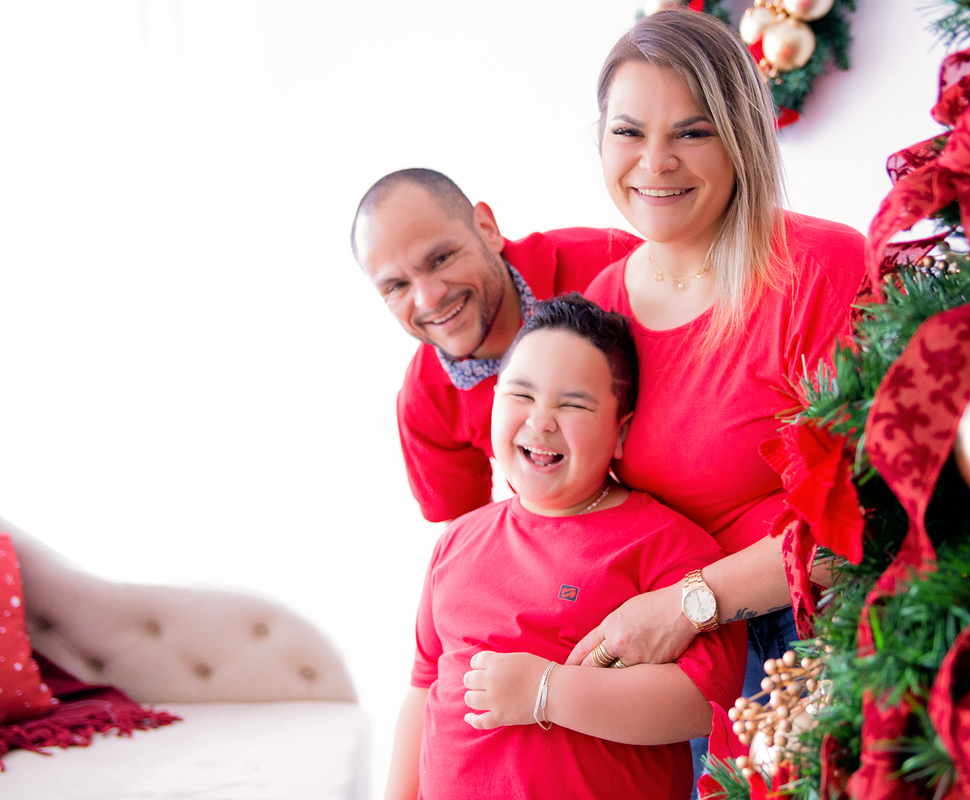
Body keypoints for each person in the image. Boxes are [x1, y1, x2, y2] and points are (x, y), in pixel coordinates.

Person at [572, 8, 866, 710]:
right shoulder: (601, 305)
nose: (655, 162)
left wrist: (689, 603)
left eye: (692, 132)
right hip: (671, 658)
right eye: (628, 132)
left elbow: (860, 518)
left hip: (813, 637)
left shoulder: (821, 269)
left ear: (741, 139)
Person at [386, 294, 746, 800]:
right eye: (521, 395)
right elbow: (424, 688)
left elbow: (702, 702)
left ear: (620, 432)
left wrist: (547, 692)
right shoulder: (457, 542)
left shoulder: (668, 545)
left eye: (572, 404)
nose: (541, 422)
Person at [350, 169, 641, 522]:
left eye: (441, 259)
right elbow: (469, 534)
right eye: (396, 286)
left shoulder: (612, 264)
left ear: (487, 228)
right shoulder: (424, 402)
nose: (429, 298)